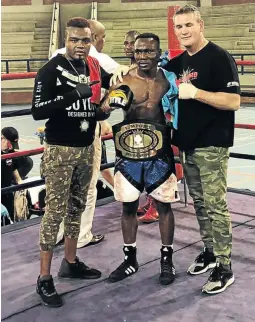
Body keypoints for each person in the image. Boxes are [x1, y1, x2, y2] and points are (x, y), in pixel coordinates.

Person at [31, 17, 112, 307]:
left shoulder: (93, 66)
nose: (80, 45)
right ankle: (44, 278)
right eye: (75, 40)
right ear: (66, 39)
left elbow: (97, 109)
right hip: (60, 150)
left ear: (92, 41)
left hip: (86, 146)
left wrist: (110, 104)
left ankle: (70, 261)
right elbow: (37, 112)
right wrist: (72, 96)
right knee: (54, 213)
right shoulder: (51, 69)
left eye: (85, 40)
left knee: (77, 207)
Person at [162, 5, 240, 294]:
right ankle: (210, 251)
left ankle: (225, 265)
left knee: (215, 204)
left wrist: (196, 93)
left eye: (188, 25)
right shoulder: (178, 61)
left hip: (212, 143)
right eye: (178, 27)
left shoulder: (219, 57)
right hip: (187, 142)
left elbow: (233, 102)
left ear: (201, 24)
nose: (183, 31)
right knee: (199, 201)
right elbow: (152, 80)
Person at [101, 33, 179, 285]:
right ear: (132, 53)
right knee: (128, 206)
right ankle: (129, 259)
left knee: (164, 206)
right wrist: (110, 103)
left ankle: (167, 260)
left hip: (160, 151)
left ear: (158, 53)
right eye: (139, 51)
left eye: (149, 51)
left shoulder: (169, 80)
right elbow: (103, 108)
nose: (143, 56)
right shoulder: (123, 78)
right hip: (129, 152)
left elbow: (180, 109)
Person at [52, 20, 118, 248]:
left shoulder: (56, 56)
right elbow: (124, 78)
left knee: (63, 185)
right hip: (87, 126)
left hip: (59, 131)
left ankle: (60, 233)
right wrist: (106, 105)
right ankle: (81, 235)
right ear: (96, 38)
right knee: (87, 183)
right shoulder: (97, 58)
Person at [52, 19, 119, 74]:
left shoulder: (56, 54)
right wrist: (122, 68)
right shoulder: (103, 59)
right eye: (103, 37)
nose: (80, 45)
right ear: (94, 37)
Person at [1, 130, 23, 224]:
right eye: (11, 144)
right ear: (3, 139)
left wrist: (19, 181)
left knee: (9, 217)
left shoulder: (11, 152)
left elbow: (14, 168)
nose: (11, 148)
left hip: (8, 191)